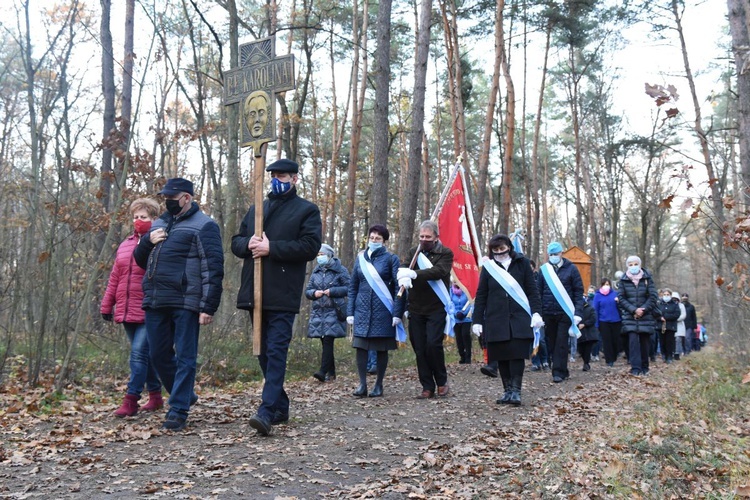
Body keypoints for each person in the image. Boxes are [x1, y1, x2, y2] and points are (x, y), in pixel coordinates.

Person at [231, 158, 322, 436]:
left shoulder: (306, 210)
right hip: (254, 291)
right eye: (273, 175)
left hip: (282, 292)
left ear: (294, 179)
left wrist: (273, 248)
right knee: (262, 352)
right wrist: (249, 243)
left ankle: (266, 410)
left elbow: (309, 246)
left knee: (276, 351)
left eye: (282, 176)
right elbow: (236, 241)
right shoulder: (257, 209)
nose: (276, 180)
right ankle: (281, 405)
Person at [134, 178, 224, 430]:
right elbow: (140, 261)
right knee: (158, 354)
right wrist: (146, 242)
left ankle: (178, 409)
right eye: (165, 198)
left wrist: (208, 306)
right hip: (155, 299)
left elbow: (213, 269)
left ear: (187, 198)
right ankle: (183, 393)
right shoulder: (160, 223)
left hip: (187, 301)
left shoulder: (205, 226)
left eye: (172, 198)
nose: (168, 202)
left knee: (185, 356)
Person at [101, 198, 163, 418]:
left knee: (138, 355)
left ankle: (131, 400)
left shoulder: (160, 241)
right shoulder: (125, 244)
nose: (138, 221)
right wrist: (107, 304)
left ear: (154, 219)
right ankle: (155, 396)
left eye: (143, 217)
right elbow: (115, 277)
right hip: (126, 310)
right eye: (135, 217)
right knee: (143, 358)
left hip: (149, 308)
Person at [472, 234, 542, 405]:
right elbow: (481, 294)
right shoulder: (489, 267)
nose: (499, 252)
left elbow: (532, 291)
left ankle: (516, 391)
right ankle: (507, 390)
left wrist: (536, 313)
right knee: (501, 355)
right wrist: (477, 320)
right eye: (495, 250)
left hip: (519, 317)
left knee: (516, 354)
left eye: (502, 249)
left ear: (509, 247)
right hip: (496, 318)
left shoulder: (522, 263)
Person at [398, 220, 455, 398]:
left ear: (436, 237)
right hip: (416, 307)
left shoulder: (445, 253)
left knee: (433, 344)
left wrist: (415, 274)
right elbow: (405, 267)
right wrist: (403, 275)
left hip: (436, 307)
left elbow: (439, 272)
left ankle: (441, 380)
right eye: (421, 236)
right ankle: (427, 386)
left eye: (428, 237)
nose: (424, 240)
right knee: (420, 348)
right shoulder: (413, 252)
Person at [346, 225, 404, 398]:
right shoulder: (360, 259)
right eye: (372, 238)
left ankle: (378, 385)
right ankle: (362, 384)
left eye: (378, 238)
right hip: (362, 310)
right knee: (361, 347)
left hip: (383, 311)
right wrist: (350, 311)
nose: (374, 241)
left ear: (384, 241)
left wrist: (397, 313)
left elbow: (398, 288)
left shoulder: (391, 259)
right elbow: (353, 286)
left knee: (381, 348)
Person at [537, 242, 584, 383]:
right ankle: (562, 369)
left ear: (561, 253)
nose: (553, 257)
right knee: (551, 342)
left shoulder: (572, 269)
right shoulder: (544, 270)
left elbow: (578, 291)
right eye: (551, 255)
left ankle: (557, 372)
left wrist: (578, 313)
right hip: (548, 312)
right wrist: (538, 312)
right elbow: (538, 292)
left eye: (556, 254)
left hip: (565, 312)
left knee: (561, 342)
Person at [305, 243, 350, 382]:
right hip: (319, 311)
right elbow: (308, 290)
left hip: (334, 310)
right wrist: (314, 293)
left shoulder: (340, 270)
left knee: (328, 339)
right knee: (324, 341)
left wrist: (333, 291)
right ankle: (332, 372)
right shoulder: (316, 271)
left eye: (322, 254)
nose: (320, 257)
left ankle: (322, 371)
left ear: (329, 255)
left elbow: (349, 288)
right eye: (318, 255)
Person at [617, 256, 658, 376]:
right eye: (630, 264)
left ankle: (645, 367)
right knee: (633, 342)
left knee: (645, 343)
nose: (633, 266)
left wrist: (643, 310)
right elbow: (621, 298)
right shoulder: (623, 280)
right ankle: (635, 368)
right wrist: (633, 310)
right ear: (627, 266)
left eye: (635, 264)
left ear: (639, 265)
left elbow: (653, 296)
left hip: (645, 316)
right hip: (630, 316)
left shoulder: (647, 278)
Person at [593, 278, 622, 367]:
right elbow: (595, 310)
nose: (606, 286)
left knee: (615, 340)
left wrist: (618, 302)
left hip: (616, 321)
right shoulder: (597, 296)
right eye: (604, 284)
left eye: (608, 284)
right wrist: (596, 323)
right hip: (604, 321)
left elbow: (621, 307)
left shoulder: (615, 294)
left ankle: (615, 355)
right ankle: (609, 359)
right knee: (607, 341)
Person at [529, 259, 549, 372]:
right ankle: (535, 362)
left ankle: (545, 360)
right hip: (528, 312)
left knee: (541, 339)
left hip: (539, 313)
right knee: (533, 339)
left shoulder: (539, 279)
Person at [451, 283, 474, 364]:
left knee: (465, 334)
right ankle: (462, 356)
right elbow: (450, 304)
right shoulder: (451, 291)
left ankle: (468, 356)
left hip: (466, 317)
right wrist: (455, 313)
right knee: (459, 337)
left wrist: (464, 313)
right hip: (456, 318)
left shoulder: (466, 290)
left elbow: (471, 302)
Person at [577, 293, 600, 372]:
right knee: (581, 349)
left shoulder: (590, 308)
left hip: (589, 333)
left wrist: (585, 324)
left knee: (587, 348)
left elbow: (593, 319)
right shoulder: (576, 310)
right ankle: (585, 361)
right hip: (580, 334)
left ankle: (586, 363)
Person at [673, 291, 688, 359]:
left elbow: (683, 315)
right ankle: (672, 353)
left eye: (675, 299)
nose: (674, 300)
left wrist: (676, 319)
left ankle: (677, 353)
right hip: (671, 325)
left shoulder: (681, 306)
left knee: (678, 339)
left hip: (679, 325)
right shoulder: (669, 305)